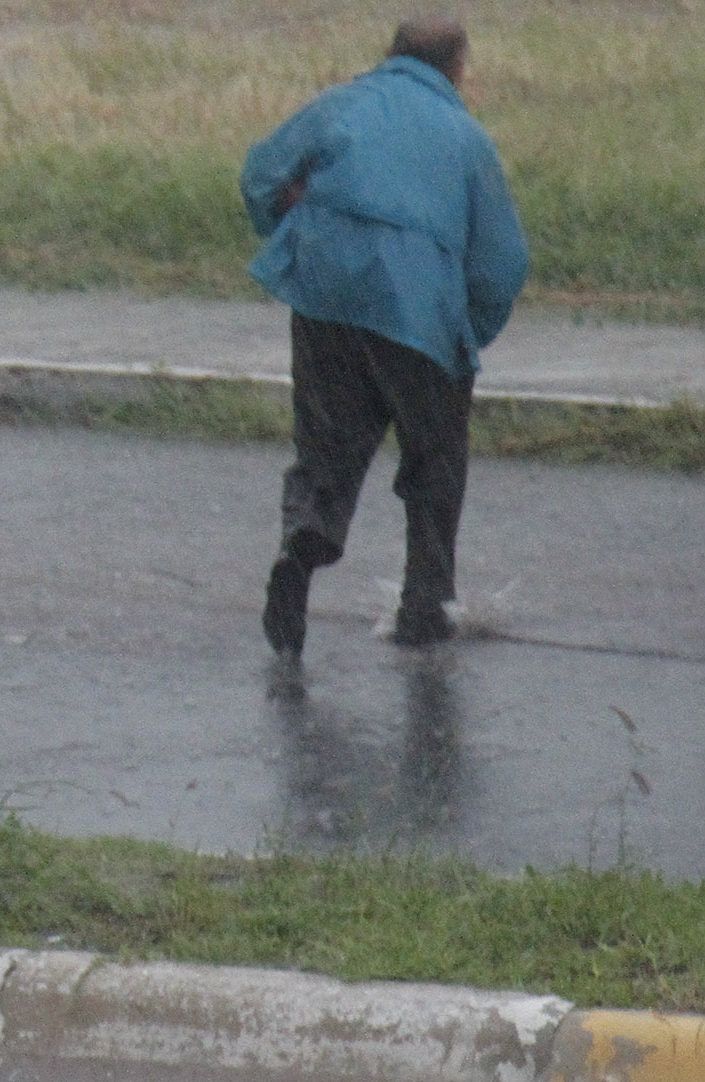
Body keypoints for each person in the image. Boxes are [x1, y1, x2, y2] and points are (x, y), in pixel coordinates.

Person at [242, 15, 528, 655]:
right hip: (420, 315)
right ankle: (423, 608)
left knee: (326, 446)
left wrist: (290, 215)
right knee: (434, 460)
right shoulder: (466, 139)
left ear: (392, 54)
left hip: (325, 297)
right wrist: (465, 330)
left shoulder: (340, 104)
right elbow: (502, 264)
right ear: (458, 67)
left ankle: (303, 542)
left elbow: (261, 175)